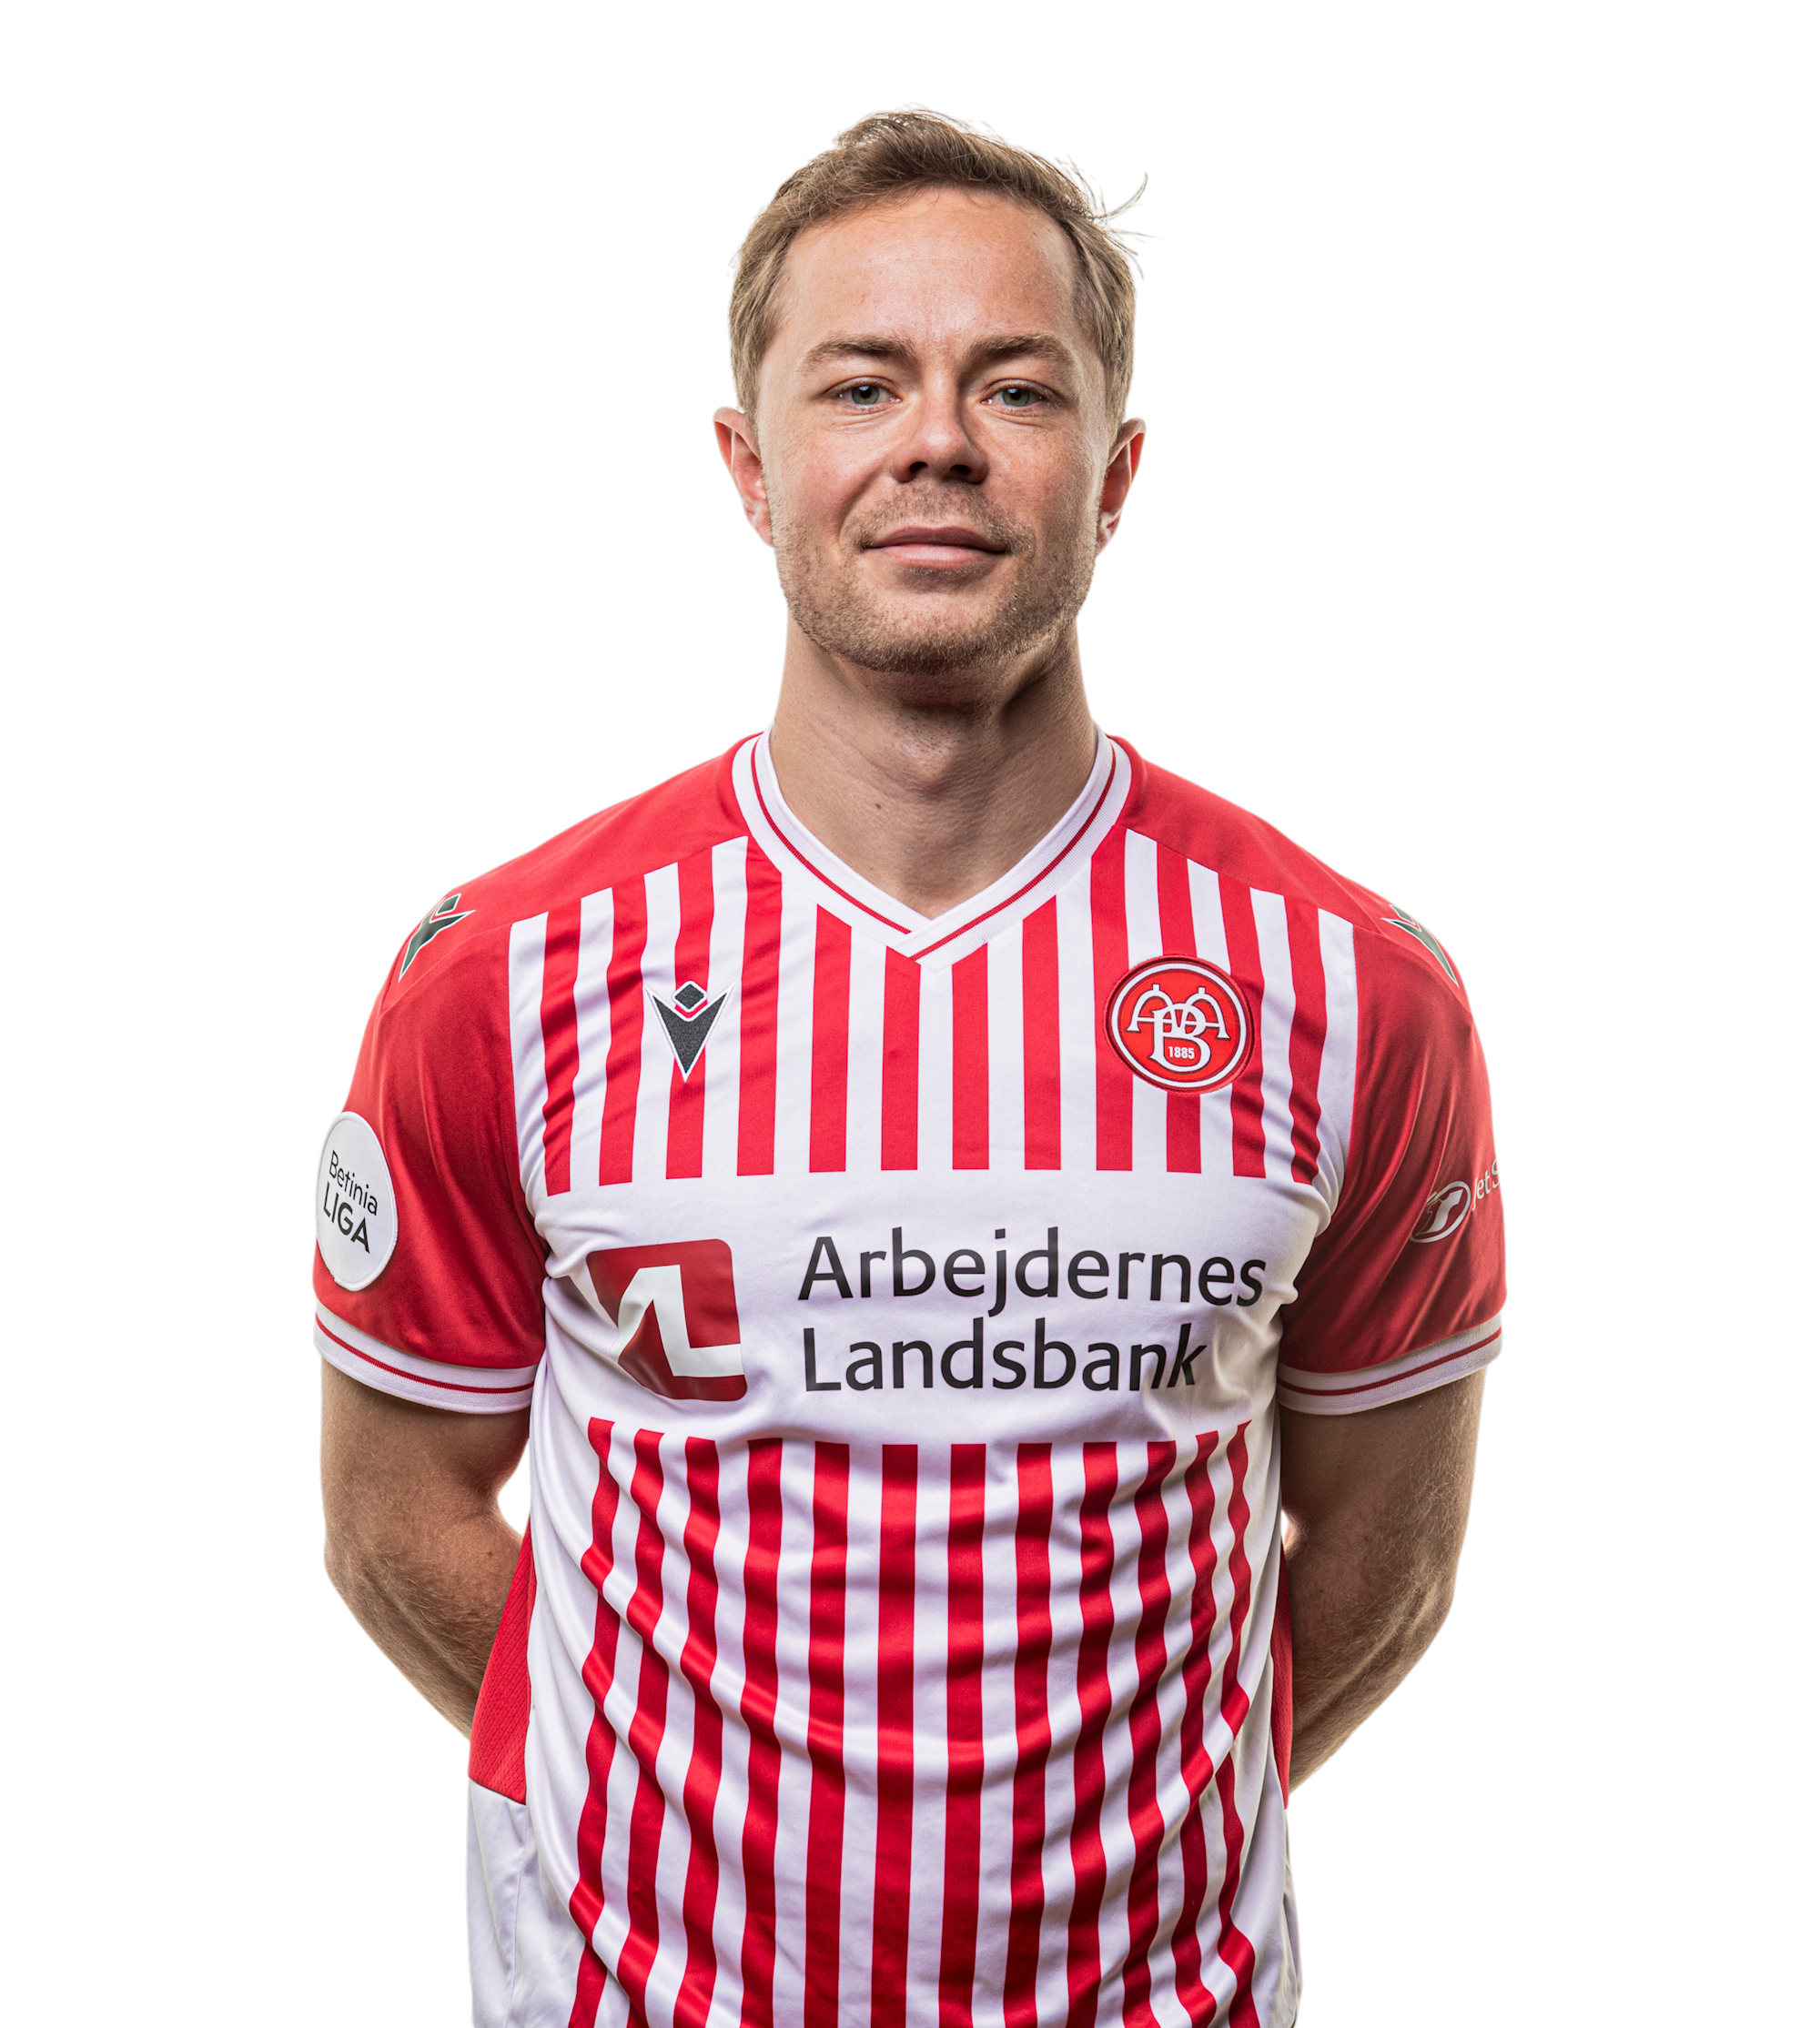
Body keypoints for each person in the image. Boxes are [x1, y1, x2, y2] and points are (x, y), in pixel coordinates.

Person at [316, 106, 1504, 2028]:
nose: (937, 440)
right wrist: (660, 1820)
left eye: (1014, 387)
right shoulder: (500, 976)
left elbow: (1385, 1558)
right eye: (861, 383)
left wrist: (1119, 1842)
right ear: (749, 465)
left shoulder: (1360, 990)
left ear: (1115, 475)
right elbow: (390, 1519)